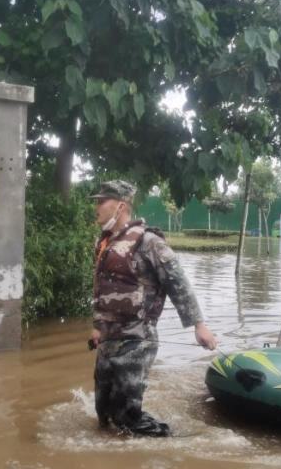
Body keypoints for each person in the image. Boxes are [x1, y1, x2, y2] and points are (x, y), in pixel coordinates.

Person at [90, 180, 218, 437]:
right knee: (103, 413)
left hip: (137, 339)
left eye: (102, 201)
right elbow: (103, 291)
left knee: (128, 417)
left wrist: (199, 325)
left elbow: (177, 281)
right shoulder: (105, 243)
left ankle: (178, 441)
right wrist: (97, 328)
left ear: (121, 206)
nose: (97, 206)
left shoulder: (149, 242)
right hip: (108, 340)